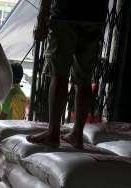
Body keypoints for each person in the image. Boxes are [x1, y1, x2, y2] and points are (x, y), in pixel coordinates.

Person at [27, 0, 109, 148]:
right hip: (95, 16)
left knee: (59, 75)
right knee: (84, 79)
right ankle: (77, 135)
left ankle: (53, 133)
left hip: (65, 13)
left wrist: (42, 16)